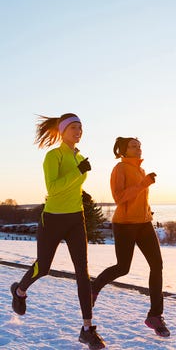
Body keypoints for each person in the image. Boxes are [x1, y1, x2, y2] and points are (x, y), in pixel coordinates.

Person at [10, 113, 106, 350]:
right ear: (62, 131)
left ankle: (87, 329)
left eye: (81, 127)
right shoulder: (53, 156)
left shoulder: (79, 156)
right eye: (74, 127)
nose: (78, 131)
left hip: (76, 219)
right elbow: (53, 189)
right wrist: (78, 172)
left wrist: (82, 193)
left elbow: (71, 186)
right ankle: (20, 291)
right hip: (52, 219)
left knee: (82, 273)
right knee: (44, 267)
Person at [91, 137, 170, 337]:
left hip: (144, 224)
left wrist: (147, 211)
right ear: (123, 150)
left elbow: (139, 198)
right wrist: (143, 184)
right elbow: (119, 197)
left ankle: (155, 315)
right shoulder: (120, 169)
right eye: (134, 146)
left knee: (157, 266)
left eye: (140, 145)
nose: (139, 148)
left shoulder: (141, 170)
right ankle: (95, 286)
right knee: (123, 268)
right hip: (125, 225)